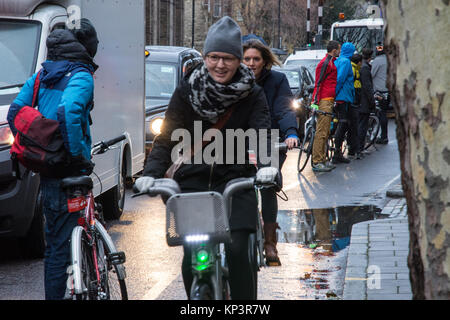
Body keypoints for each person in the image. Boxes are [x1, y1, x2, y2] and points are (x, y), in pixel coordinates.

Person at [134, 16, 275, 300]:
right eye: (213, 57)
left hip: (237, 183)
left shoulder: (252, 94)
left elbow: (262, 134)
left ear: (238, 60)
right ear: (205, 57)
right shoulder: (187, 91)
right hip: (194, 183)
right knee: (192, 252)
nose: (219, 65)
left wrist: (267, 168)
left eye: (227, 58)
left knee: (238, 251)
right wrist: (150, 172)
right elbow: (167, 137)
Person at [7, 19, 99, 300]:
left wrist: (38, 146)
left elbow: (15, 112)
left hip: (46, 172)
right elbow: (69, 110)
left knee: (56, 245)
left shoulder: (42, 75)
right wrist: (74, 155)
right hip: (70, 170)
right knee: (71, 238)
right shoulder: (82, 76)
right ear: (88, 48)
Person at [242, 38, 298, 266]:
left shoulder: (277, 80)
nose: (251, 63)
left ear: (265, 61)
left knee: (267, 186)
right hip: (238, 144)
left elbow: (284, 109)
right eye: (247, 59)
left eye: (256, 59)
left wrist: (291, 133)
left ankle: (270, 243)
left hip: (271, 141)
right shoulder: (232, 81)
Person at [311, 40, 341, 172]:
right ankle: (317, 161)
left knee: (326, 132)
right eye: (338, 49)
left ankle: (322, 159)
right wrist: (315, 102)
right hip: (324, 100)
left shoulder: (329, 62)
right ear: (334, 50)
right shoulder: (325, 63)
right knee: (322, 132)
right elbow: (318, 83)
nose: (339, 52)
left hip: (327, 100)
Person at [332, 42, 357, 165]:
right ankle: (337, 153)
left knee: (340, 123)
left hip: (340, 97)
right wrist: (335, 94)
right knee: (343, 123)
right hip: (343, 97)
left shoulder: (338, 60)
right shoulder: (346, 62)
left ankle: (337, 150)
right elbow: (340, 79)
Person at [358, 48, 376, 153]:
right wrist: (372, 101)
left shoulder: (362, 66)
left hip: (360, 100)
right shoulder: (365, 69)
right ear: (370, 57)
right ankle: (360, 148)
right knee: (362, 125)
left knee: (361, 124)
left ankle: (358, 147)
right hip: (363, 102)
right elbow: (367, 87)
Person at [371, 43, 389, 144]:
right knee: (384, 113)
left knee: (380, 113)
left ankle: (382, 136)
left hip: (379, 91)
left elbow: (371, 74)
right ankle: (384, 135)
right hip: (387, 90)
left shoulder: (377, 61)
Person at [348, 53, 363, 159]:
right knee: (354, 125)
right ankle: (354, 149)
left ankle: (352, 148)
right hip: (353, 100)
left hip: (352, 99)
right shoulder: (353, 69)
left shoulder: (353, 68)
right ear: (359, 62)